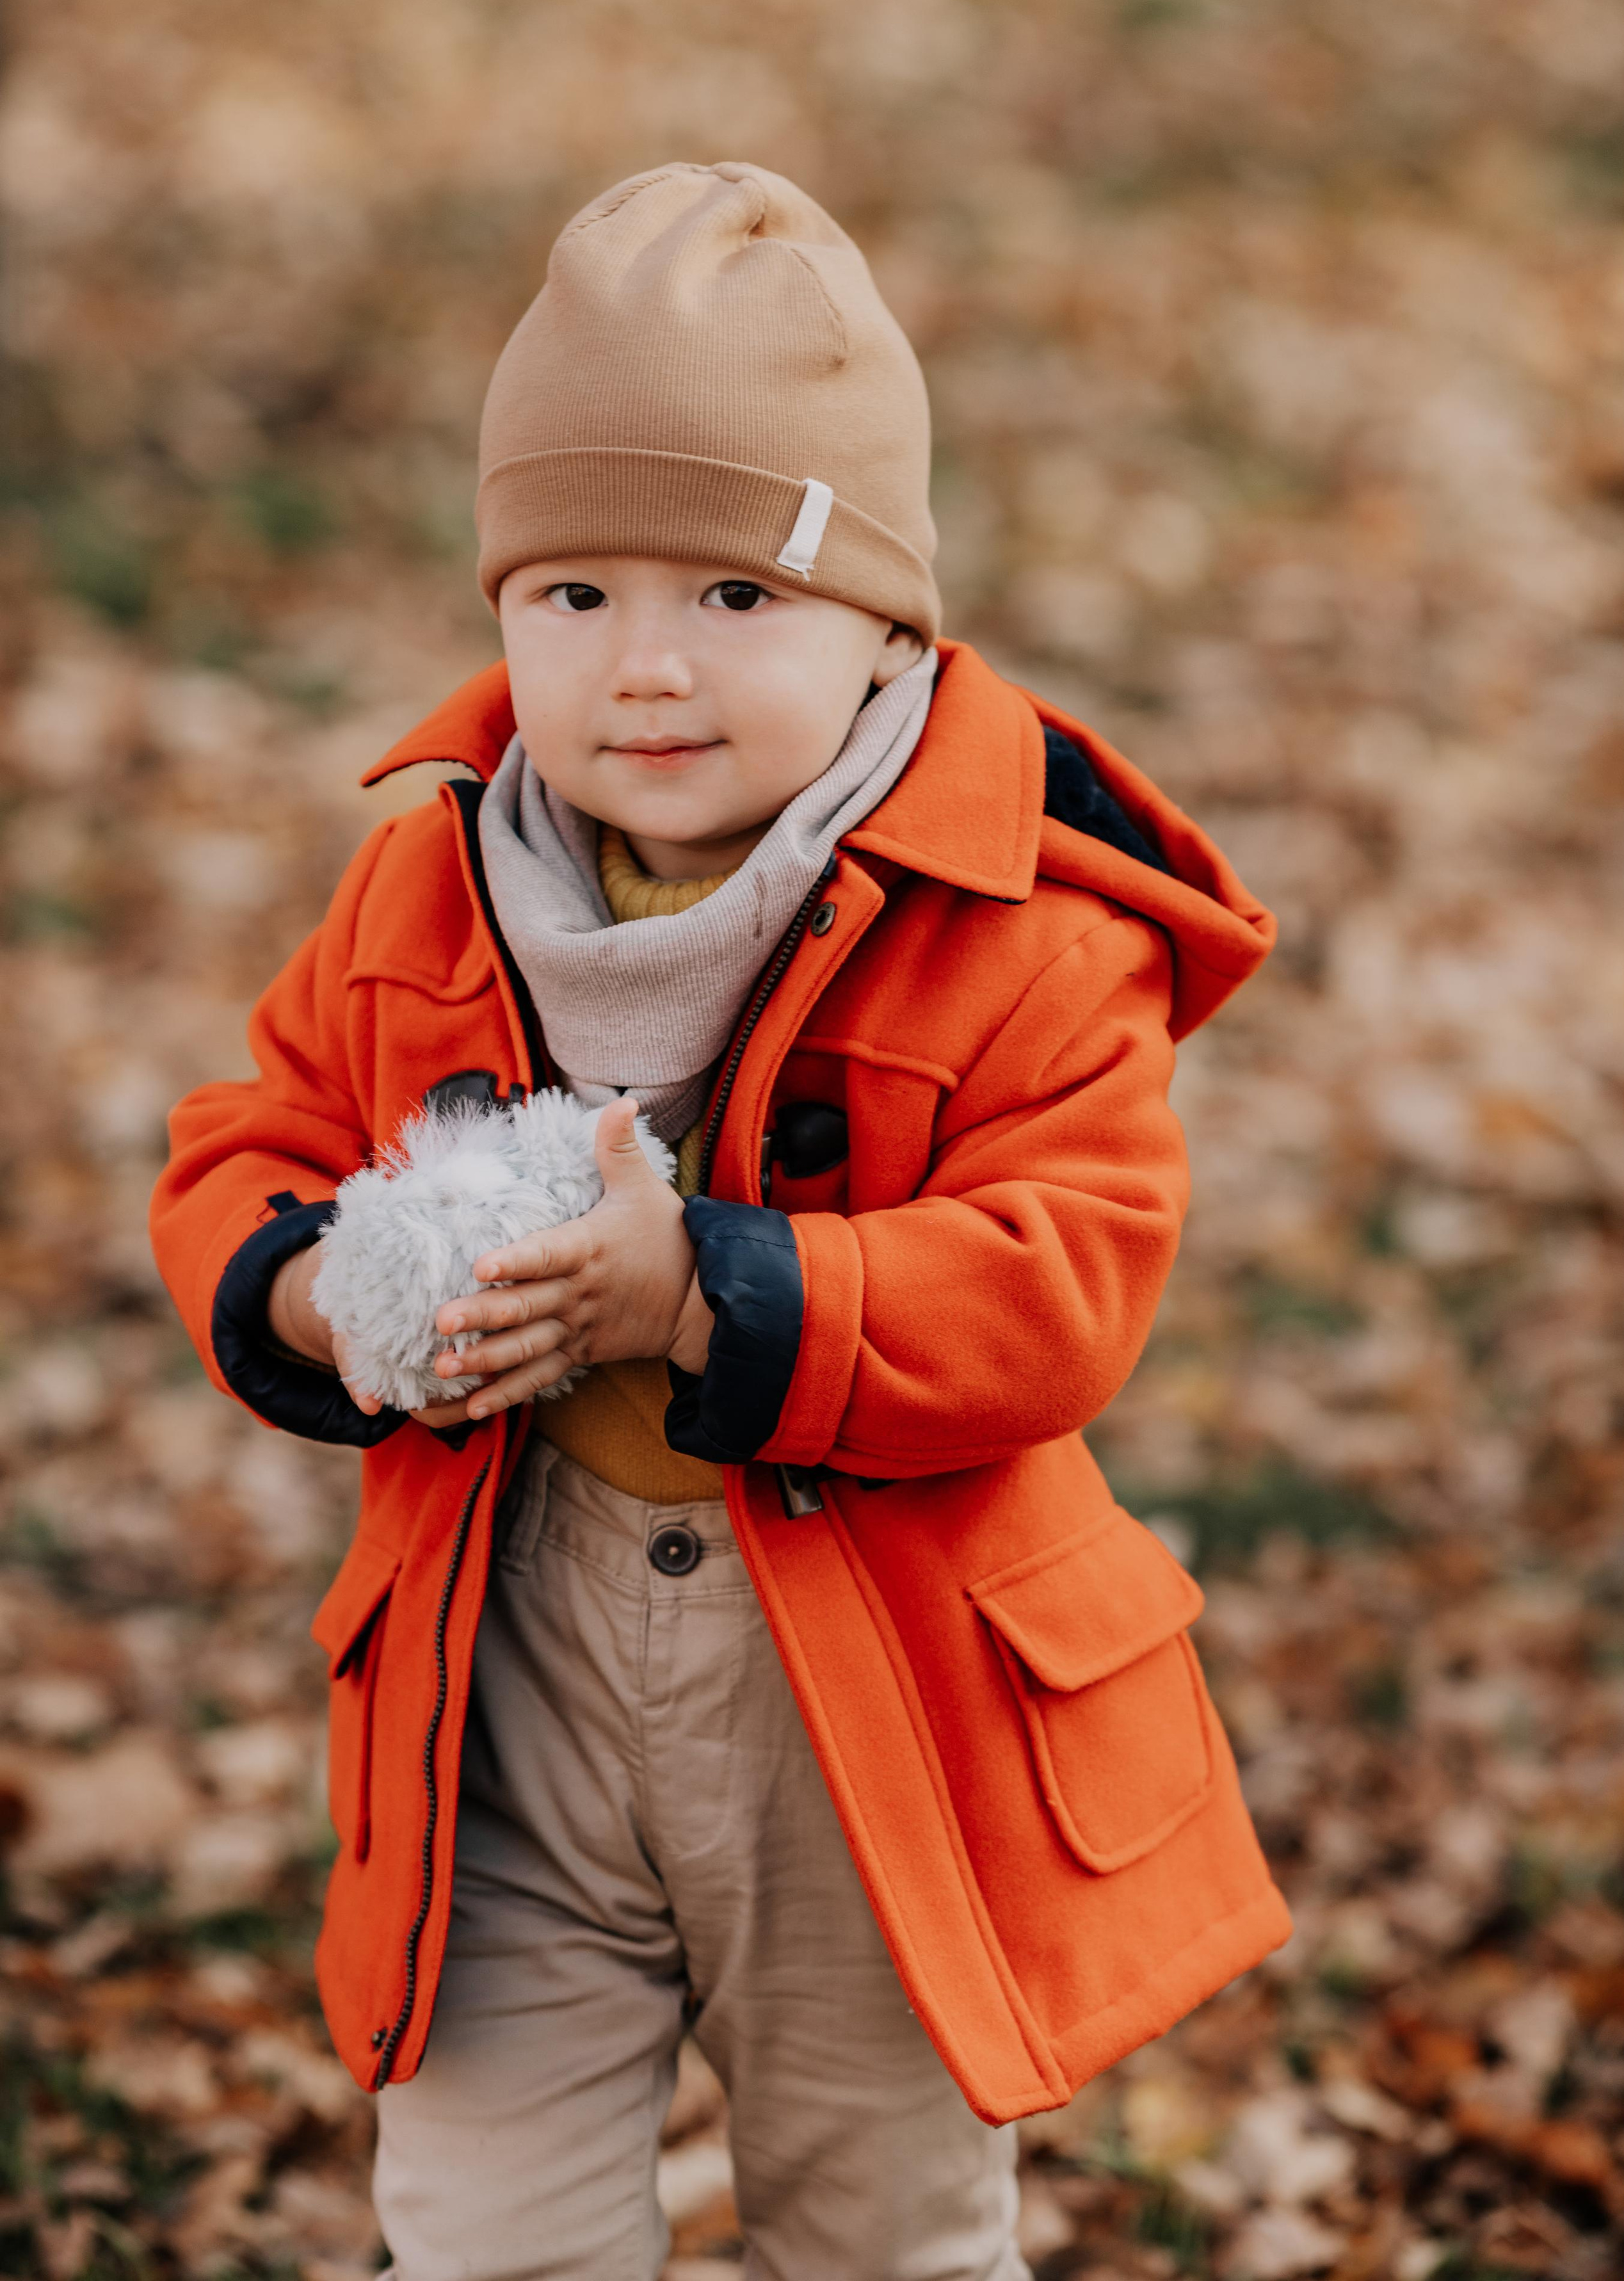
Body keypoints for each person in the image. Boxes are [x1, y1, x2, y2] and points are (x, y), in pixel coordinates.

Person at [152, 160, 1291, 2281]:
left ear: (884, 626)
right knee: (483, 2216)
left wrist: (704, 1287)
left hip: (874, 1695)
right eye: (569, 595)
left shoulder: (1022, 932)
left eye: (733, 598)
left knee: (880, 2222)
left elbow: (1065, 1286)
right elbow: (254, 1131)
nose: (644, 671)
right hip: (515, 1666)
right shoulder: (434, 885)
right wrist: (318, 1291)